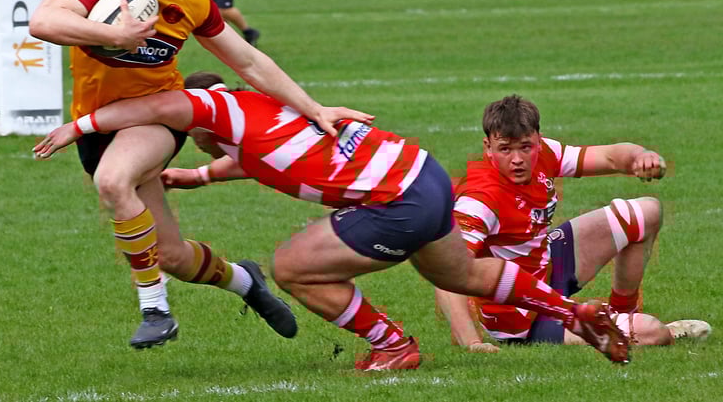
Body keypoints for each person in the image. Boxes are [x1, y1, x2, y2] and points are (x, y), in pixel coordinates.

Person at [34, 72, 632, 369]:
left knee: (292, 265)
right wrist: (198, 177)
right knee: (467, 276)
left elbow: (157, 105)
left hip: (396, 201)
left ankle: (392, 346)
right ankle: (571, 311)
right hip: (420, 172)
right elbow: (257, 159)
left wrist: (78, 126)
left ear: (203, 112)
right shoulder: (261, 110)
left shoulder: (211, 104)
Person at [28, 0, 371, 349]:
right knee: (170, 254)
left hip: (159, 116)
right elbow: (43, 21)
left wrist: (315, 109)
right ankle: (247, 283)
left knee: (112, 182)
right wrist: (117, 34)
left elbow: (249, 62)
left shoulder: (191, 0)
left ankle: (155, 310)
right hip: (96, 122)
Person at [434, 94, 710, 353]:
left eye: (525, 147)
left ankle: (623, 312)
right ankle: (636, 327)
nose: (517, 159)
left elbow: (609, 156)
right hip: (523, 314)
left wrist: (640, 156)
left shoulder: (545, 154)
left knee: (647, 211)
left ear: (538, 141)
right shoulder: (479, 199)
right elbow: (447, 273)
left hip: (547, 265)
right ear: (488, 147)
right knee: (653, 332)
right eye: (505, 149)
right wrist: (472, 342)